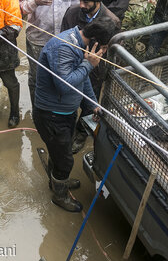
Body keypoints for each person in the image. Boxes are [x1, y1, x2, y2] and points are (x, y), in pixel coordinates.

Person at [33, 17, 116, 212]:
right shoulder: (64, 48)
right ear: (94, 40)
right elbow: (65, 85)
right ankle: (59, 196)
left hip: (66, 112)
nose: (103, 52)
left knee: (60, 151)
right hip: (51, 115)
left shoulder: (81, 45)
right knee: (65, 159)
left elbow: (81, 79)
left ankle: (58, 180)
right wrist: (88, 65)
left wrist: (93, 104)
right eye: (103, 47)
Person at [61, 0, 120, 154]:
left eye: (86, 1)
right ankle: (67, 130)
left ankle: (80, 135)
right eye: (80, 0)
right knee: (68, 99)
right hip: (72, 66)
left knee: (89, 105)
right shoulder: (72, 13)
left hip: (95, 73)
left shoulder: (112, 21)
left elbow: (114, 55)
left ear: (98, 0)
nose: (82, 5)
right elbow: (63, 39)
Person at [18, 0, 80, 106]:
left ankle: (58, 107)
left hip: (65, 37)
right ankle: (38, 109)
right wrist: (35, 1)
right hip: (39, 38)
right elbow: (20, 8)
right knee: (37, 77)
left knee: (64, 75)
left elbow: (76, 1)